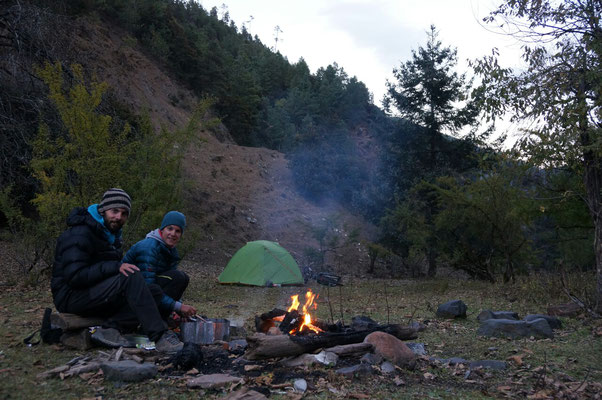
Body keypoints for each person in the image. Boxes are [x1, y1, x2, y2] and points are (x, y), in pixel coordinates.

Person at [51, 188, 184, 353]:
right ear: (103, 209)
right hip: (71, 296)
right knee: (130, 275)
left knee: (154, 291)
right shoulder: (80, 233)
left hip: (95, 293)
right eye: (114, 211)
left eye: (124, 213)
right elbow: (75, 276)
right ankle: (159, 335)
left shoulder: (110, 235)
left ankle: (110, 329)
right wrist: (115, 267)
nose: (118, 217)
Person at [122, 211, 196, 321]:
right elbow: (148, 287)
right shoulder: (149, 248)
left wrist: (178, 308)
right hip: (128, 296)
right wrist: (178, 307)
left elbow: (170, 283)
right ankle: (154, 321)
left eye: (178, 231)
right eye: (169, 228)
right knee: (179, 277)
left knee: (182, 277)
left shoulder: (170, 250)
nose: (173, 234)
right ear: (162, 229)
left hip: (146, 290)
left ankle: (163, 318)